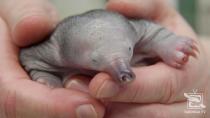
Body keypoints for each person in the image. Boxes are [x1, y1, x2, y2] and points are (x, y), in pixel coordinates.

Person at [0, 0, 209, 118]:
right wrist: (44, 79)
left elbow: (154, 33)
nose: (123, 71)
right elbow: (29, 59)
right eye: (95, 59)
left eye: (126, 49)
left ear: (130, 34)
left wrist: (202, 99)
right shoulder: (52, 48)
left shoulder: (134, 28)